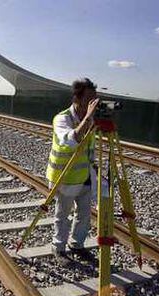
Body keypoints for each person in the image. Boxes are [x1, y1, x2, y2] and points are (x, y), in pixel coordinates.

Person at [46, 78, 100, 265]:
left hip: (85, 175)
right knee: (63, 215)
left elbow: (90, 147)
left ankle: (77, 245)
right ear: (76, 98)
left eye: (95, 98)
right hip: (65, 176)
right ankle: (58, 247)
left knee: (84, 214)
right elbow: (71, 139)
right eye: (89, 99)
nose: (92, 103)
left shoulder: (91, 119)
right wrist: (88, 118)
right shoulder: (62, 118)